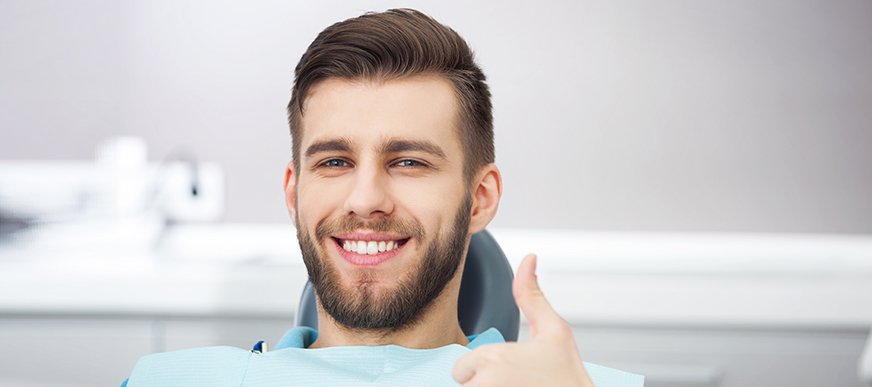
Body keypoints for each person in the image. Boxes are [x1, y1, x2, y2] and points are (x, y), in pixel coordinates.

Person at [124, 8, 643, 386]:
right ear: (293, 192)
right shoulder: (169, 379)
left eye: (408, 162)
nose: (366, 198)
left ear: (480, 198)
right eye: (334, 162)